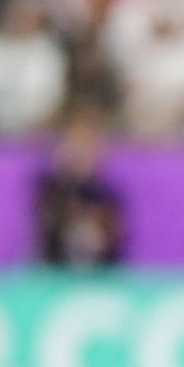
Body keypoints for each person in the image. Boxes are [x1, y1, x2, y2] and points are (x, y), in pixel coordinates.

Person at [35, 114, 126, 269]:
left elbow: (115, 240)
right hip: (55, 273)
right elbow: (43, 234)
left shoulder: (107, 194)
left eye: (86, 148)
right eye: (74, 147)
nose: (80, 154)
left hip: (100, 275)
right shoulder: (50, 189)